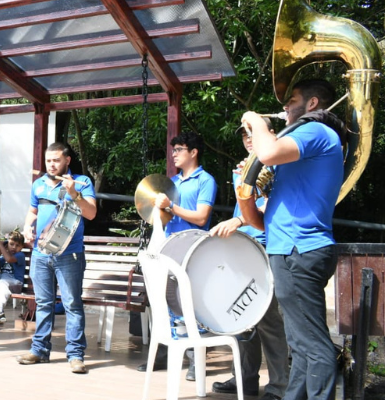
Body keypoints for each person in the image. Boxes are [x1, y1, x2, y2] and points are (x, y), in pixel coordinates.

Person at [237, 78, 344, 400]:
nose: (285, 106)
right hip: (288, 249)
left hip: (300, 250)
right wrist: (246, 188)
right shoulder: (299, 149)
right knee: (299, 342)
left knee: (312, 343)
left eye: (292, 100)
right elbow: (258, 220)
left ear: (312, 104)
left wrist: (255, 120)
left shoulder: (314, 131)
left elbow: (267, 152)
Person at [209, 123, 289, 400]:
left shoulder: (281, 163)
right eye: (245, 135)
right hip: (243, 246)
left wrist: (239, 220)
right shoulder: (242, 168)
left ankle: (280, 386)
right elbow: (247, 203)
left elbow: (271, 205)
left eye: (253, 135)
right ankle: (245, 380)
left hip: (268, 247)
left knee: (268, 320)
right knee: (240, 316)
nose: (248, 140)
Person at [137, 131, 217, 381]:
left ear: (194, 152)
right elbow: (163, 217)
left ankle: (195, 360)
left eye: (179, 150)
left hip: (192, 248)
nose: (174, 154)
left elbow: (202, 217)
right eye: (173, 150)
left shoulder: (206, 180)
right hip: (168, 246)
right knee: (161, 301)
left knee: (187, 304)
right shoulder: (171, 182)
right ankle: (161, 353)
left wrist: (170, 206)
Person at [16, 142, 96, 374]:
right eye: (48, 160)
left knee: (72, 304)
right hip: (41, 252)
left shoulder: (82, 182)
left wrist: (74, 193)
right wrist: (26, 227)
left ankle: (76, 355)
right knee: (42, 303)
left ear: (67, 161)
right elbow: (32, 211)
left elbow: (90, 213)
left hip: (69, 253)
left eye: (56, 160)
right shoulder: (38, 184)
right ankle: (39, 350)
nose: (51, 165)